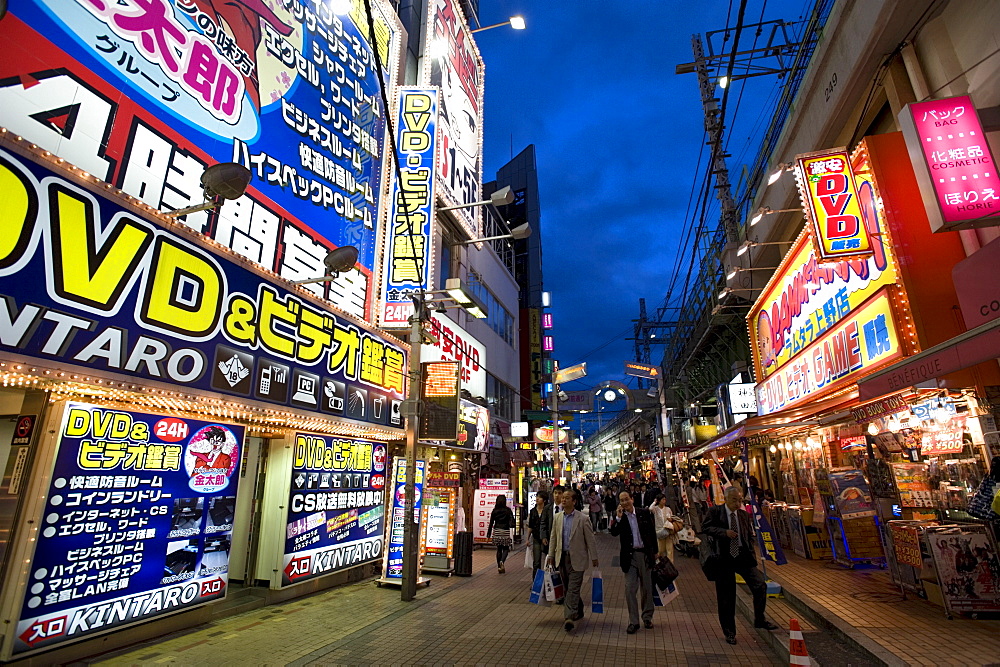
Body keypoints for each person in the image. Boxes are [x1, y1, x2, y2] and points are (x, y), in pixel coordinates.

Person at [702, 486, 778, 645]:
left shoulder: (743, 515)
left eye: (740, 500)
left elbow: (748, 535)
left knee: (759, 586)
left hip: (743, 557)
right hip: (724, 558)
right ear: (726, 498)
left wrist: (751, 551)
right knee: (726, 597)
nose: (738, 503)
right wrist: (724, 532)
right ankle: (729, 631)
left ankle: (760, 618)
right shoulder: (715, 511)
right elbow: (705, 528)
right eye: (734, 500)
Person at [547, 490, 599, 632]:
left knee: (573, 589)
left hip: (577, 559)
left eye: (567, 498)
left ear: (574, 501)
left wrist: (594, 557)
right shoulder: (558, 518)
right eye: (563, 498)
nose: (563, 500)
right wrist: (550, 556)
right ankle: (579, 610)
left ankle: (569, 617)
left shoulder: (583, 519)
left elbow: (590, 540)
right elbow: (554, 538)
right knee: (567, 588)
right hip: (562, 558)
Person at [609, 491, 658, 634]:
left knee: (647, 588)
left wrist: (655, 552)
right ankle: (633, 621)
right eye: (621, 500)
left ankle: (647, 617)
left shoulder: (644, 513)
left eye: (626, 499)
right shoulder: (621, 517)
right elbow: (613, 533)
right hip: (629, 557)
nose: (624, 502)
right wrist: (617, 518)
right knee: (630, 588)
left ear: (632, 499)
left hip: (645, 555)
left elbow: (652, 533)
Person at [486, 495, 515, 574]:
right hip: (505, 531)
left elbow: (491, 522)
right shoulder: (508, 510)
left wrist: (488, 534)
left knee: (499, 549)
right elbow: (513, 521)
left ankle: (499, 567)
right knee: (506, 549)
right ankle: (502, 561)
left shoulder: (495, 510)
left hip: (497, 530)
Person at [650, 493, 681, 561]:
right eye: (663, 499)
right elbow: (650, 508)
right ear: (659, 501)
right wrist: (654, 502)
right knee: (660, 550)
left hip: (668, 530)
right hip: (659, 530)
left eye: (665, 499)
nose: (664, 501)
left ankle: (670, 564)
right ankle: (660, 564)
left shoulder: (668, 509)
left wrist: (671, 520)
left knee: (670, 549)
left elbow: (672, 517)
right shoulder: (656, 509)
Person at [527, 491, 551, 579]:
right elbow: (530, 526)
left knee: (548, 561)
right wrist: (527, 538)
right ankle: (536, 583)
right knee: (536, 562)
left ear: (544, 500)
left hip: (546, 539)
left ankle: (548, 581)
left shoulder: (549, 510)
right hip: (536, 538)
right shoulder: (533, 511)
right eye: (537, 497)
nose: (537, 499)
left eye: (539, 497)